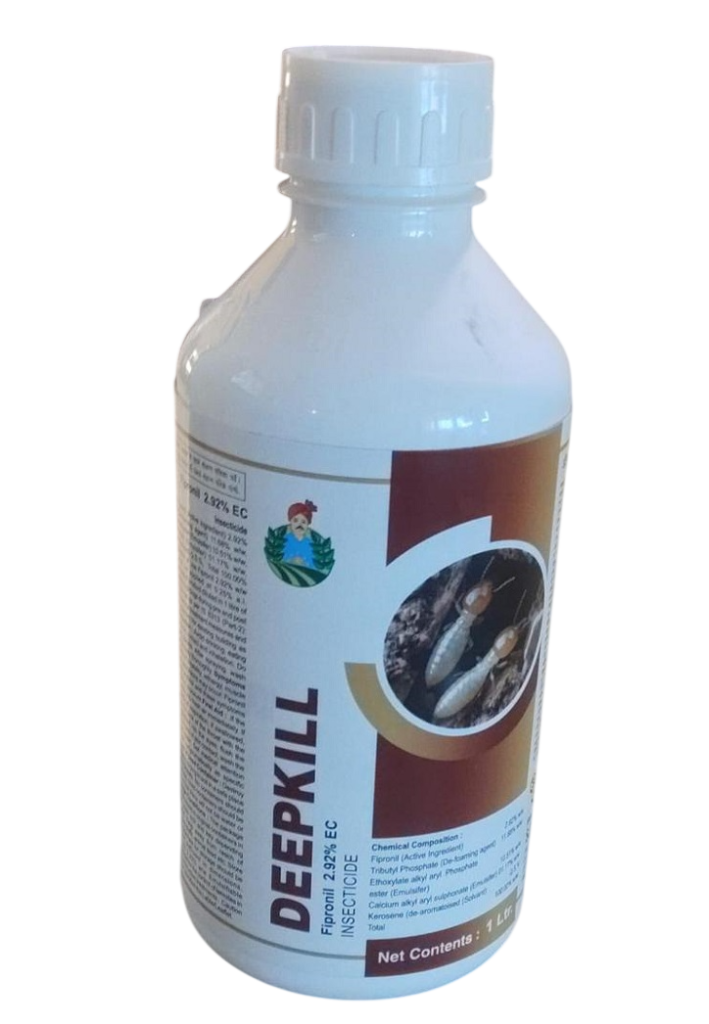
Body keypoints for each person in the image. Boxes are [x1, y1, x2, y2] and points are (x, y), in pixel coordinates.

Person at [282, 500, 318, 567]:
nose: (299, 524)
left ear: (307, 525)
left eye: (303, 522)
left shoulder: (310, 544)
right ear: (290, 522)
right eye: (295, 520)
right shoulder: (284, 540)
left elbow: (312, 565)